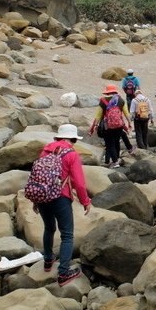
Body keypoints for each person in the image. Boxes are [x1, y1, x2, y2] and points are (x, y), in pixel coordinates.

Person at [33, 123, 92, 287]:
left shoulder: (45, 150)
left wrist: (35, 200)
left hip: (43, 195)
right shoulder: (71, 154)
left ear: (58, 137)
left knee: (49, 228)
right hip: (61, 196)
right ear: (73, 138)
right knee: (67, 235)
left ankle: (47, 261)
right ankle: (64, 273)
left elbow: (37, 176)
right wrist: (85, 201)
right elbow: (79, 183)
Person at [89, 84, 134, 168]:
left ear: (107, 92)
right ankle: (117, 158)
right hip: (119, 125)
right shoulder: (120, 100)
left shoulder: (103, 101)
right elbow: (126, 113)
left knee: (110, 144)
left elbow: (98, 116)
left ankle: (115, 161)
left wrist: (93, 126)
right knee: (116, 142)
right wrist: (129, 123)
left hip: (108, 126)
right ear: (115, 91)